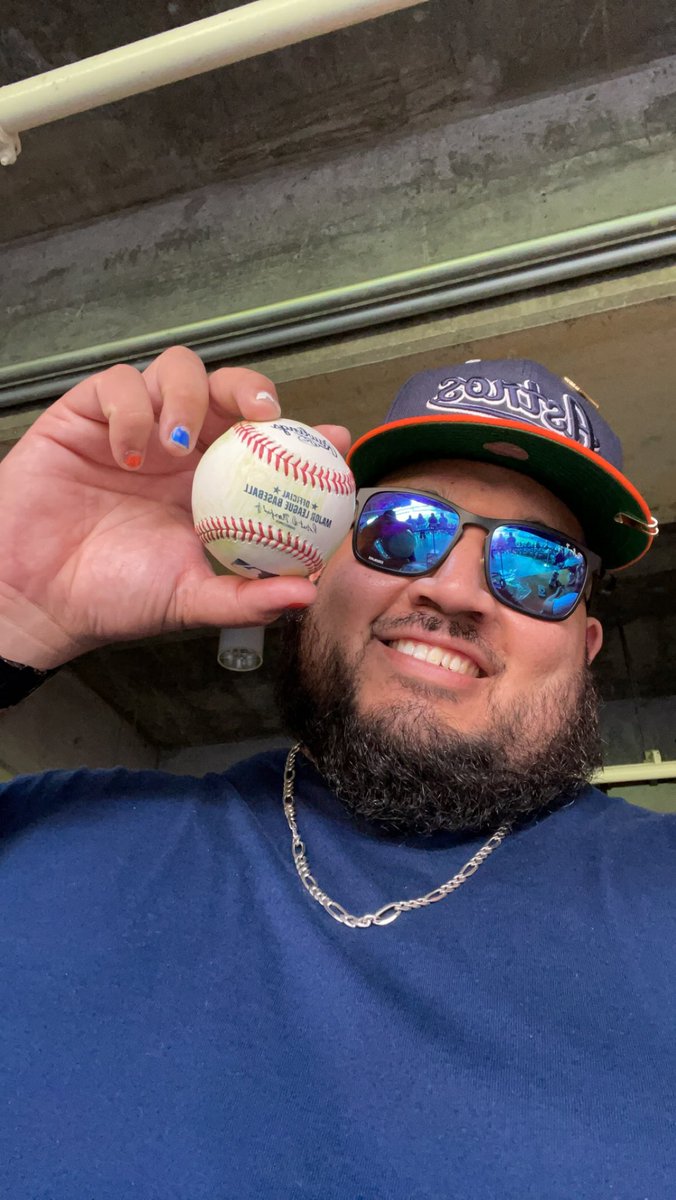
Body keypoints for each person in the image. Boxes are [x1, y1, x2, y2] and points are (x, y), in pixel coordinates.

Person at [0, 351, 673, 1200]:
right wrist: (10, 605)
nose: (456, 588)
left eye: (541, 568)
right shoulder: (54, 838)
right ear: (317, 567)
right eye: (402, 526)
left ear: (586, 648)